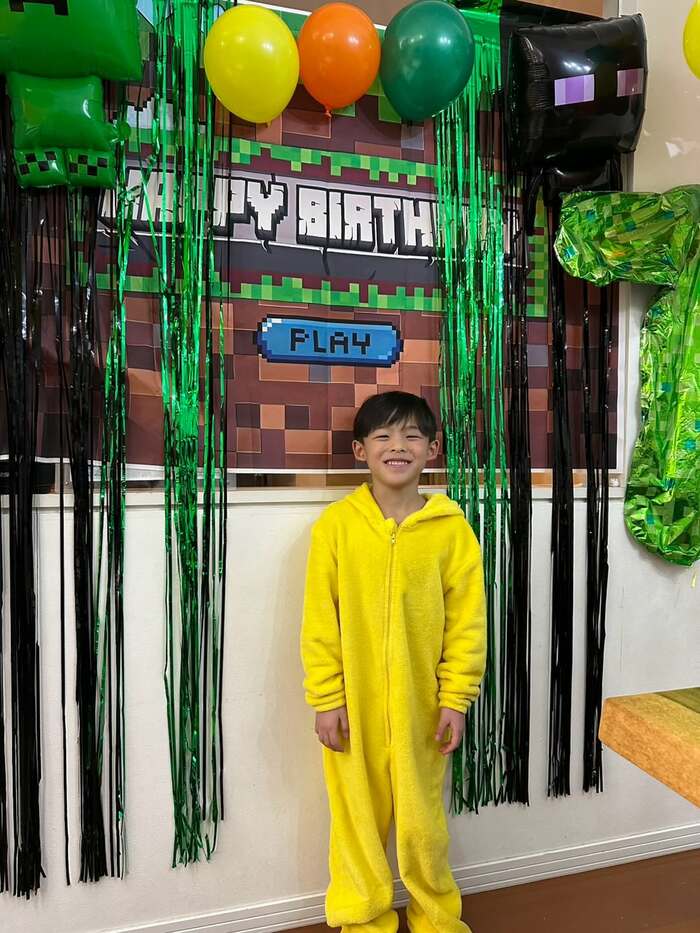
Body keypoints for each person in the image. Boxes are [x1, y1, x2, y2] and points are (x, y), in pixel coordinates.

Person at [301, 391, 487, 933]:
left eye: (411, 435)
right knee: (356, 821)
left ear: (433, 448)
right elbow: (320, 621)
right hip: (352, 711)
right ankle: (364, 920)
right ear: (361, 450)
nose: (397, 446)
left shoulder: (452, 531)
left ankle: (436, 918)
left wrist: (455, 699)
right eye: (382, 436)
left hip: (421, 709)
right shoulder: (336, 527)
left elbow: (467, 624)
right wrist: (327, 698)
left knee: (423, 825)